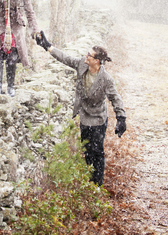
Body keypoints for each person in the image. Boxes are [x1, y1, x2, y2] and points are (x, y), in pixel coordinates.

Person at [35, 31, 127, 186]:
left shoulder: (106, 79)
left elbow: (115, 98)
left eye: (89, 55)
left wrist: (121, 118)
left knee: (97, 152)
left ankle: (97, 185)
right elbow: (65, 58)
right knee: (87, 151)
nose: (86, 56)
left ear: (97, 61)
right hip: (85, 116)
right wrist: (47, 46)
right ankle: (89, 181)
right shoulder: (81, 65)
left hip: (98, 118)